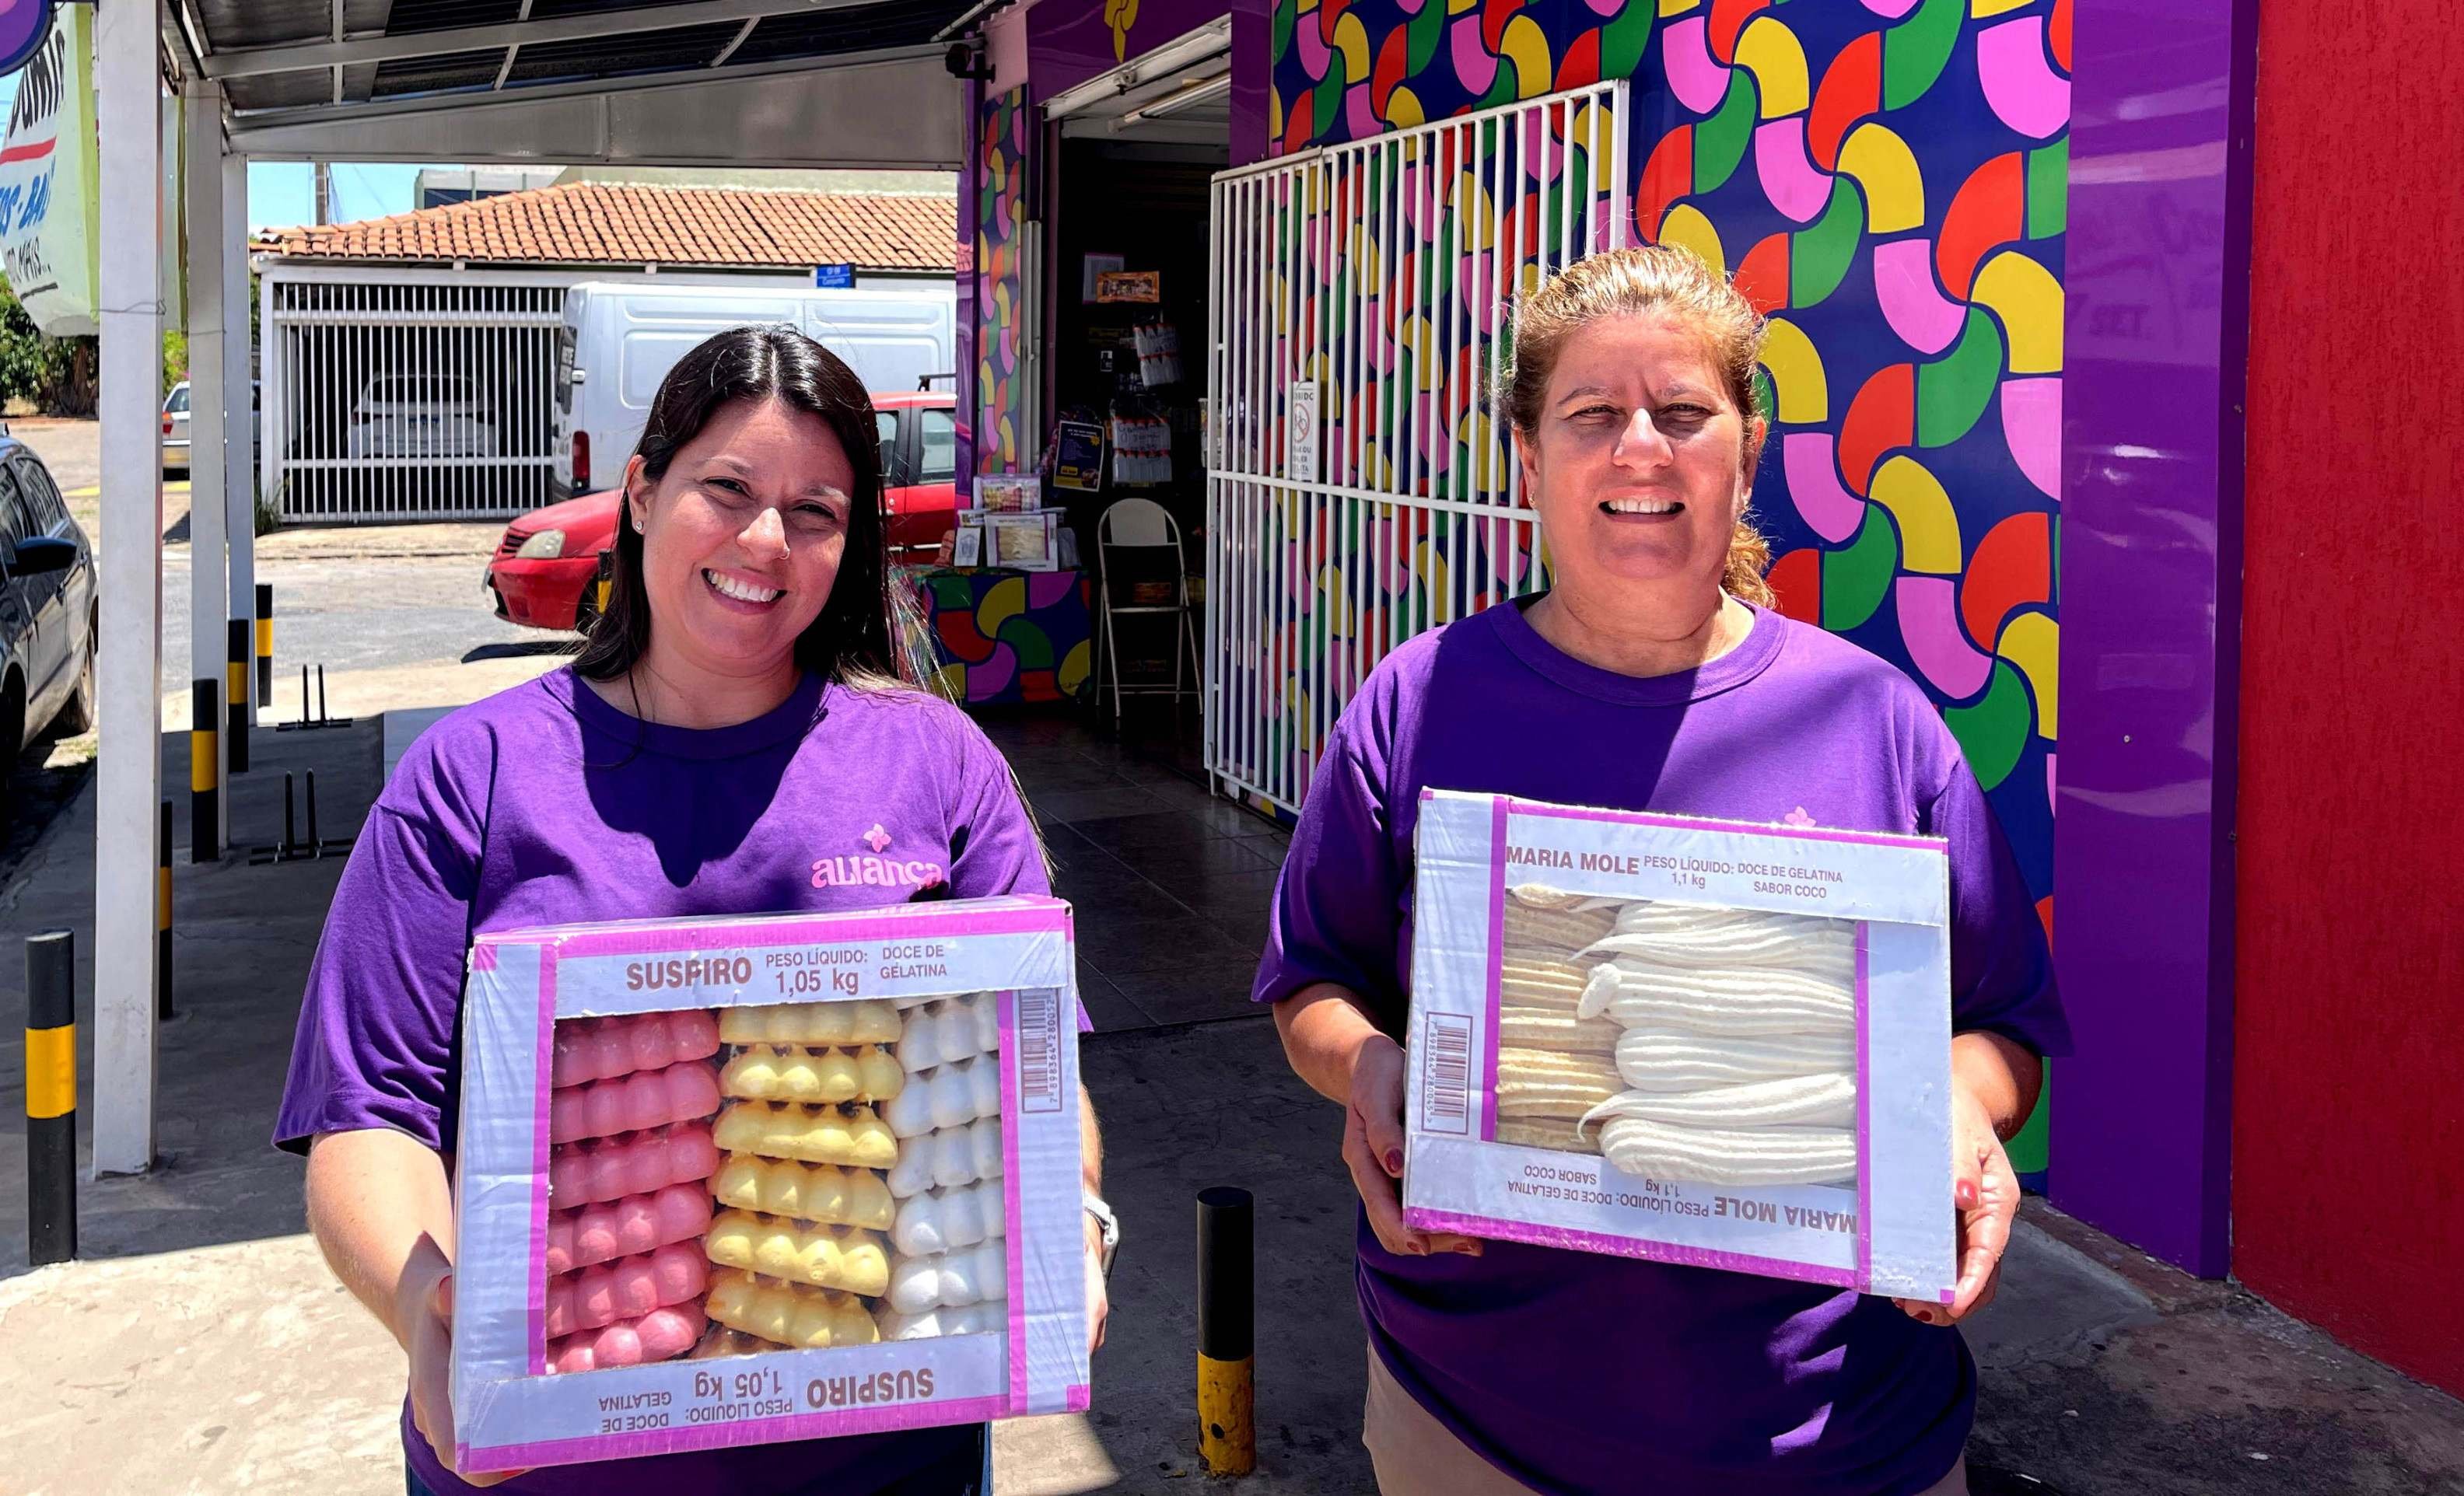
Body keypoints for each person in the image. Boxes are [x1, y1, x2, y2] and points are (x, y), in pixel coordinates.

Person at [1251, 246, 2067, 1496]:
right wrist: (1366, 1064)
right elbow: (1313, 979)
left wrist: (1956, 1109)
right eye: (1593, 416)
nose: (1642, 448)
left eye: (1684, 414)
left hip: (1836, 1434)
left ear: (1745, 454)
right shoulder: (1418, 704)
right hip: (1477, 1419)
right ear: (1529, 458)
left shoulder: (1873, 720)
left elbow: (2001, 1021)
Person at [275, 326, 1112, 1495]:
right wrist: (427, 1312)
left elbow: (1033, 1071)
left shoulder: (936, 766)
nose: (765, 540)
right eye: (727, 489)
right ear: (640, 490)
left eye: (815, 511)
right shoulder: (474, 778)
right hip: (556, 1463)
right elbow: (371, 1117)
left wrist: (1075, 1222)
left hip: (885, 1465)